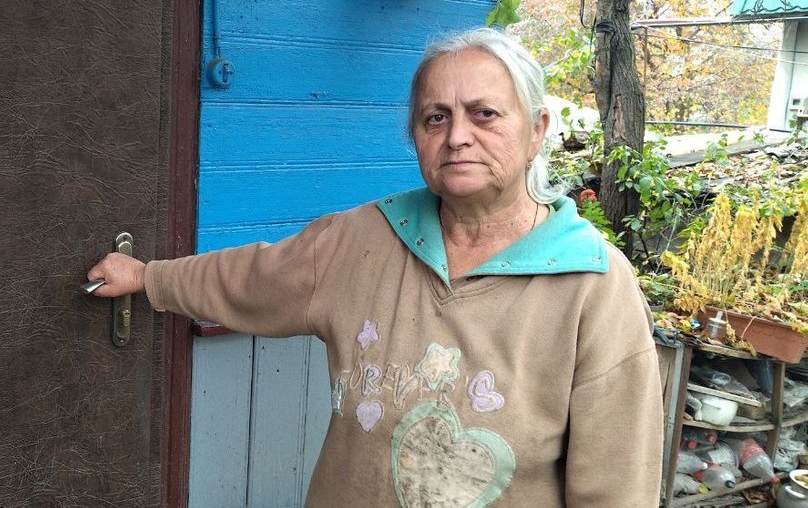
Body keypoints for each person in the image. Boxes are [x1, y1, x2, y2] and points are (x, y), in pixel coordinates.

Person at [88, 27, 663, 507]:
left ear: (536, 131)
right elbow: (255, 277)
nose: (457, 137)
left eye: (484, 114)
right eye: (435, 118)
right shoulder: (365, 238)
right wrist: (148, 277)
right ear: (415, 136)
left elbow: (617, 486)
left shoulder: (592, 284)